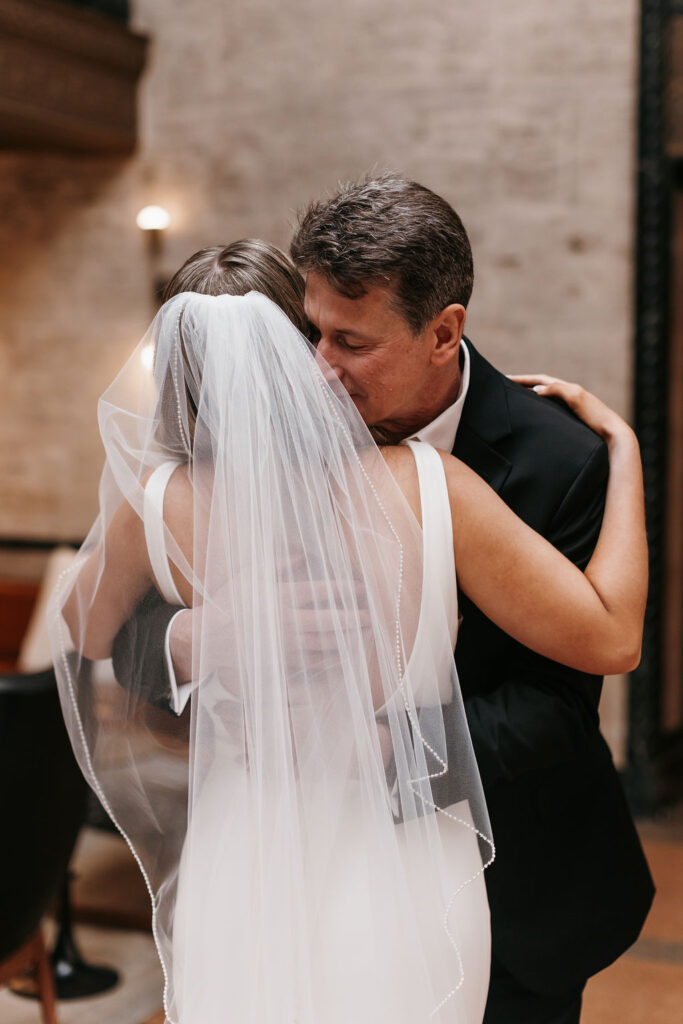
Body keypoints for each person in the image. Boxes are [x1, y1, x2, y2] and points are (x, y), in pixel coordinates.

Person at [58, 222, 648, 1024]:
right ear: (296, 346)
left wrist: (199, 626)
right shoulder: (425, 485)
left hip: (242, 856)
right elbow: (611, 635)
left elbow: (82, 629)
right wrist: (627, 452)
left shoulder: (156, 506)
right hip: (403, 866)